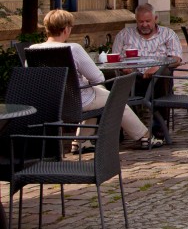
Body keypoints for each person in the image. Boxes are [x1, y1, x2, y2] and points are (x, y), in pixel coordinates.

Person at [30, 9, 161, 151]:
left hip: (49, 103)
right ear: (66, 29)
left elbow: (34, 78)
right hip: (77, 101)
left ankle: (81, 141)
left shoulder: (33, 49)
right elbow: (98, 77)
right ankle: (145, 136)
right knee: (115, 98)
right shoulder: (73, 49)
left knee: (99, 95)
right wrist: (85, 81)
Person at [112, 3, 182, 135]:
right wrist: (124, 68)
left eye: (148, 21)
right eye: (140, 21)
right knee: (113, 80)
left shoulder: (168, 34)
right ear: (136, 20)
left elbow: (176, 59)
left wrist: (158, 68)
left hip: (158, 78)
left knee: (164, 74)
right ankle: (116, 130)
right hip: (133, 78)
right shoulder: (125, 35)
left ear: (155, 18)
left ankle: (159, 128)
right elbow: (116, 58)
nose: (144, 25)